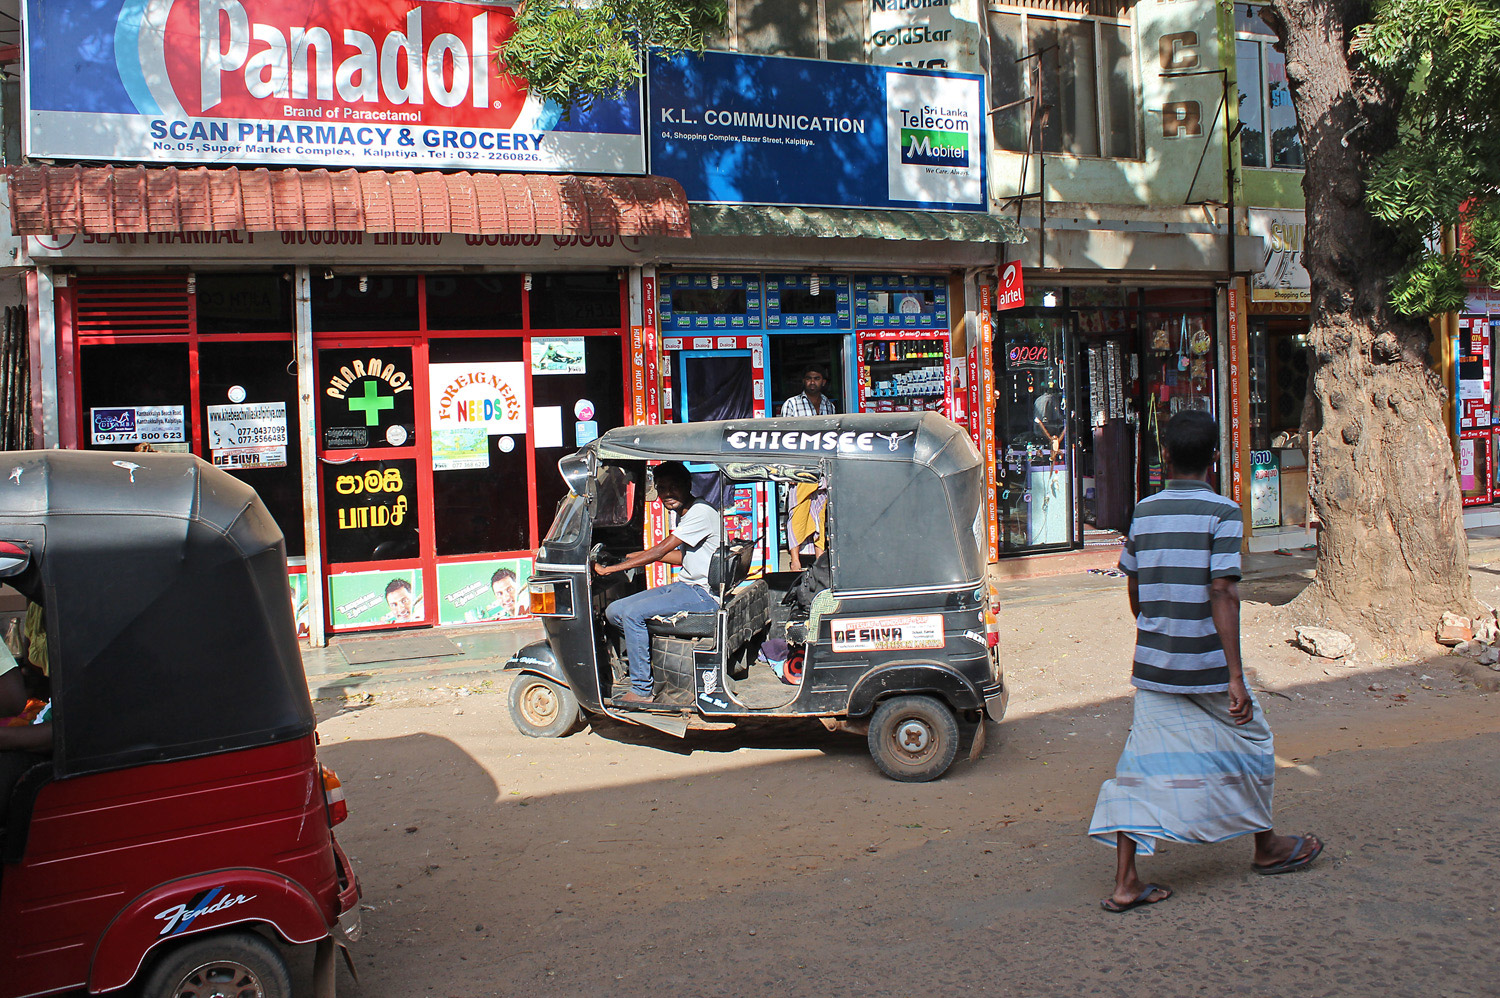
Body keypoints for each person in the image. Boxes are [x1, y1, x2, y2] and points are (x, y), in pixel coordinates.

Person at [1089, 410, 1323, 913]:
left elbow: (1134, 586)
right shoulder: (1223, 512)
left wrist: (1153, 629)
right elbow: (1223, 590)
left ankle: (1126, 881)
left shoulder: (1144, 511)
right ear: (1213, 458)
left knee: (1140, 766)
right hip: (1207, 667)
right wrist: (1236, 676)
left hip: (1154, 665)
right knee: (1253, 744)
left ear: (1165, 456)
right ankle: (1266, 847)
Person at [597, 462, 721, 706]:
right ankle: (648, 660)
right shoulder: (686, 512)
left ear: (688, 486)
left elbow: (661, 550)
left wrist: (612, 568)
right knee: (614, 611)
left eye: (674, 487)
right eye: (663, 488)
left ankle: (642, 688)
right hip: (687, 585)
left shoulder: (700, 512)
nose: (668, 494)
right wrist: (630, 557)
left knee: (632, 614)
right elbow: (681, 557)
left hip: (703, 595)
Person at [781, 366, 834, 569]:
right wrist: (789, 469)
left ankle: (820, 561)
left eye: (817, 378)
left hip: (821, 469)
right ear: (803, 381)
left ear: (823, 382)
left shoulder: (829, 406)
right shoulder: (792, 404)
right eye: (809, 378)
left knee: (819, 514)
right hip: (800, 468)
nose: (813, 382)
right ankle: (795, 561)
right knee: (797, 512)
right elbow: (784, 437)